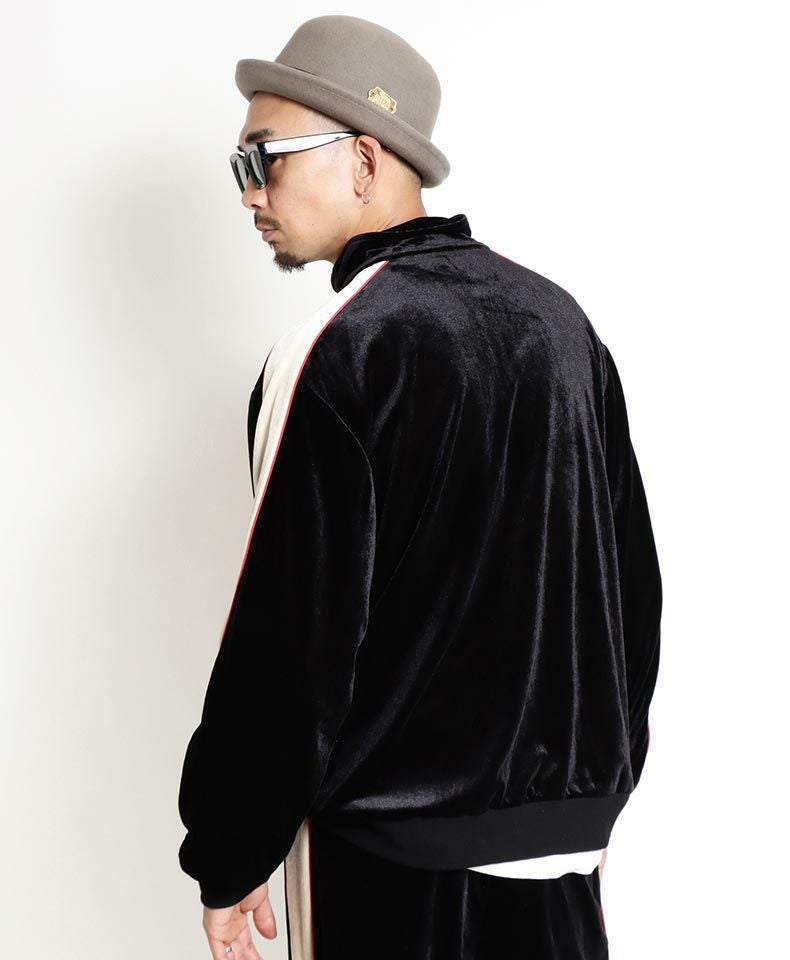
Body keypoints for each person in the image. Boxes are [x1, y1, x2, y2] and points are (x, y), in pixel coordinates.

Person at [177, 14, 662, 960]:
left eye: (262, 158)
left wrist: (229, 854)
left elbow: (290, 647)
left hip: (389, 881)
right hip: (560, 871)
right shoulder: (563, 326)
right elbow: (630, 596)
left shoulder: (337, 351)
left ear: (363, 158)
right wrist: (589, 801)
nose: (248, 193)